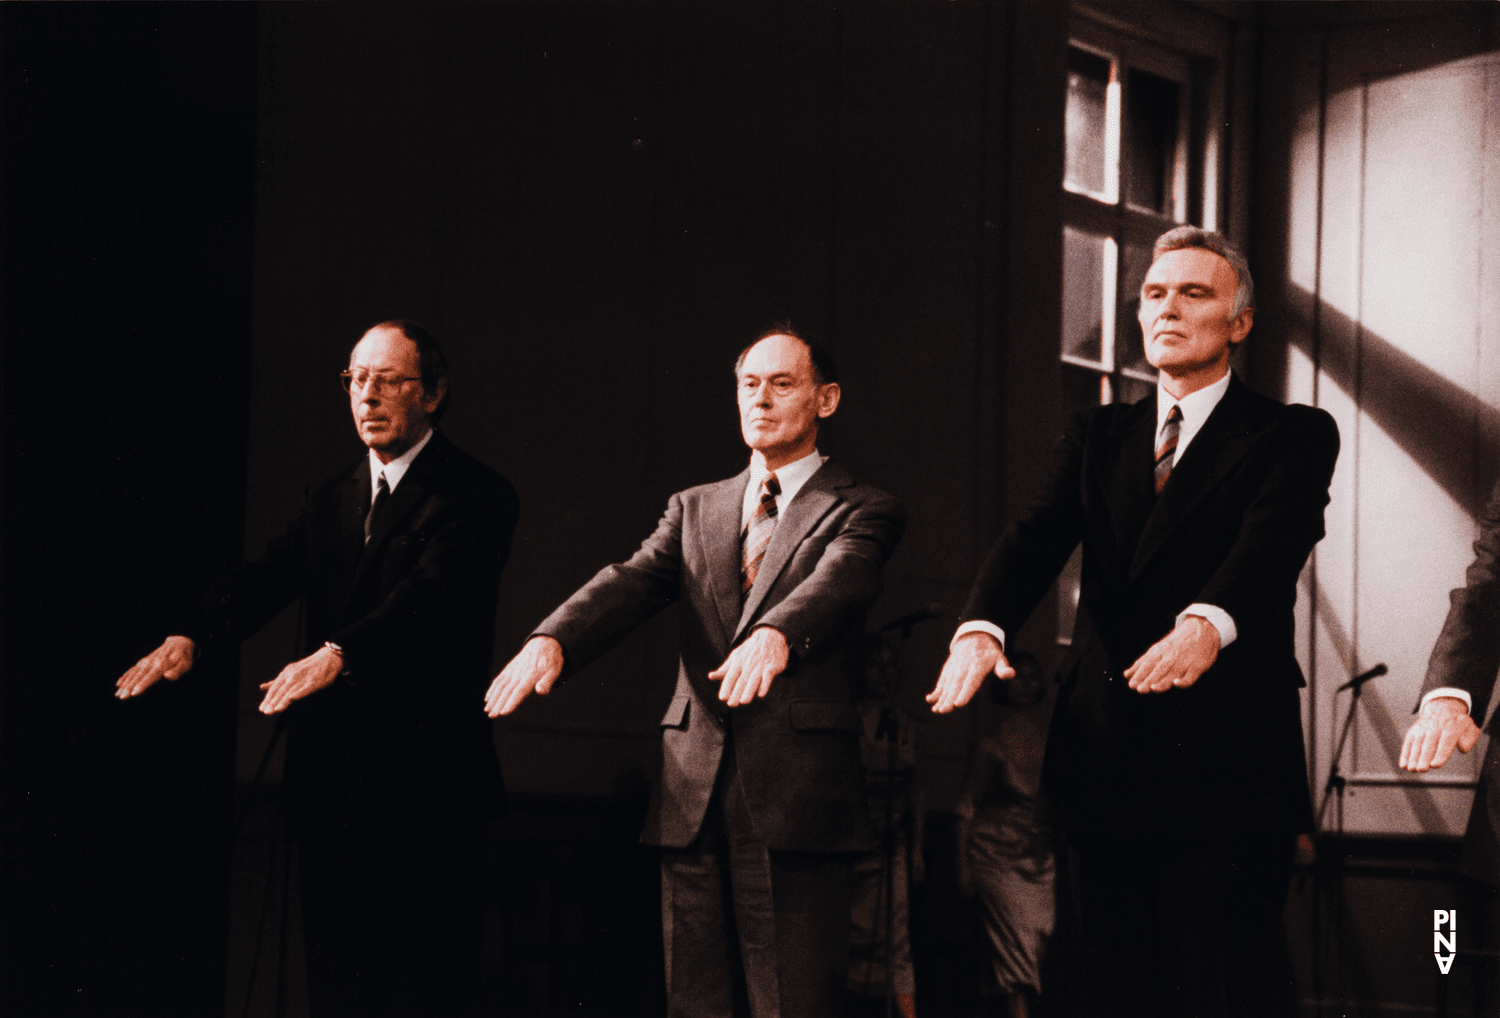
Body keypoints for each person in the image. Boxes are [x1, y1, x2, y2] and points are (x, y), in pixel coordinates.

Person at [927, 226, 1340, 1018]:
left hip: (1228, 759)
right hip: (1104, 753)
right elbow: (1035, 533)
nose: (1167, 309)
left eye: (1194, 293)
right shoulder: (1098, 433)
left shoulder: (1290, 432)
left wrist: (1205, 625)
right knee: (1104, 988)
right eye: (1155, 294)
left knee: (1218, 987)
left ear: (1240, 323)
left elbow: (1272, 544)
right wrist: (982, 626)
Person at [485, 328, 906, 1018]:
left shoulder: (861, 506)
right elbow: (629, 582)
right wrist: (554, 640)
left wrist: (776, 631)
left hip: (797, 799)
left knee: (793, 1006)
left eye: (782, 384)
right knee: (696, 1005)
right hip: (691, 789)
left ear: (826, 399)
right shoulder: (695, 506)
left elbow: (842, 579)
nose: (761, 400)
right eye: (749, 384)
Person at [116, 321, 519, 1017]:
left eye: (389, 380)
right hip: (331, 786)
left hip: (426, 791)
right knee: (338, 987)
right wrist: (194, 636)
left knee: (421, 988)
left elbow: (426, 601)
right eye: (356, 379)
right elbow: (268, 574)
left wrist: (338, 653)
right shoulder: (330, 494)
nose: (367, 395)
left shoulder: (476, 494)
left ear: (433, 394)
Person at [955, 650, 1053, 1018]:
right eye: (1017, 676)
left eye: (1032, 676)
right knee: (1017, 954)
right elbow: (965, 807)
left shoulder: (1049, 740)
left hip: (1040, 857)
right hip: (996, 857)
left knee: (1039, 939)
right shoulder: (990, 744)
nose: (1025, 684)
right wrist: (962, 866)